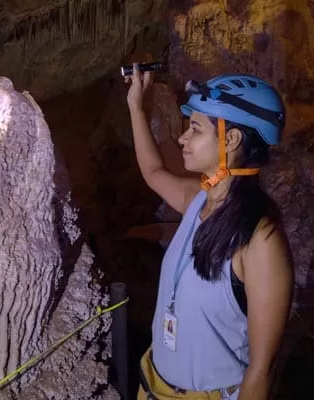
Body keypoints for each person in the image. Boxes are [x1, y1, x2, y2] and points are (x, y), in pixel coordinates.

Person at [125, 64, 295, 400]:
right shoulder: (197, 199)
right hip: (154, 387)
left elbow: (260, 371)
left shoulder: (260, 240)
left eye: (195, 130)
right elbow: (153, 170)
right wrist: (135, 106)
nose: (182, 138)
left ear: (230, 140)